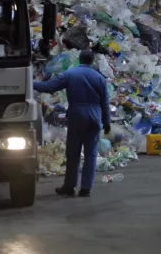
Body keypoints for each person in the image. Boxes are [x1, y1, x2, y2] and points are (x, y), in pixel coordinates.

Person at [34, 49, 111, 197]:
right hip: (95, 117)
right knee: (91, 154)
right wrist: (106, 123)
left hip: (77, 115)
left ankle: (69, 186)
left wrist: (30, 83)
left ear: (80, 59)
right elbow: (105, 103)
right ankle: (85, 189)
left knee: (73, 153)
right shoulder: (100, 78)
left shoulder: (71, 74)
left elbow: (49, 87)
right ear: (92, 61)